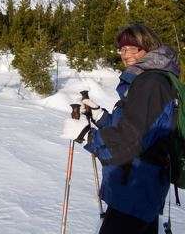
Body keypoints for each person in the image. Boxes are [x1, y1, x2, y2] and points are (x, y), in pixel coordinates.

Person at [62, 24, 180, 234]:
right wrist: (100, 115)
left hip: (135, 192)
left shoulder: (151, 83)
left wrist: (86, 135)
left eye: (132, 48)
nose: (125, 55)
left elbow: (128, 142)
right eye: (122, 49)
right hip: (140, 191)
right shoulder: (149, 79)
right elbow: (137, 127)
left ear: (148, 47)